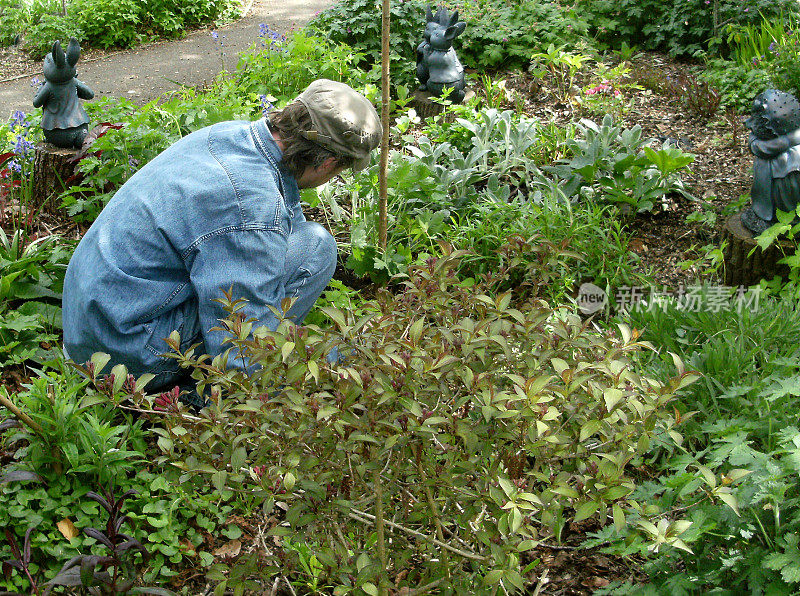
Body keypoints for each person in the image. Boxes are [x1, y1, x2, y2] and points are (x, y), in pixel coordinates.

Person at [62, 79, 382, 405]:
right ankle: (192, 400)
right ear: (328, 163)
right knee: (316, 248)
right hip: (122, 352)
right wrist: (262, 396)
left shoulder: (234, 136)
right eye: (340, 170)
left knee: (304, 243)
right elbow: (239, 343)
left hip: (89, 327)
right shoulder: (250, 207)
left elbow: (283, 224)